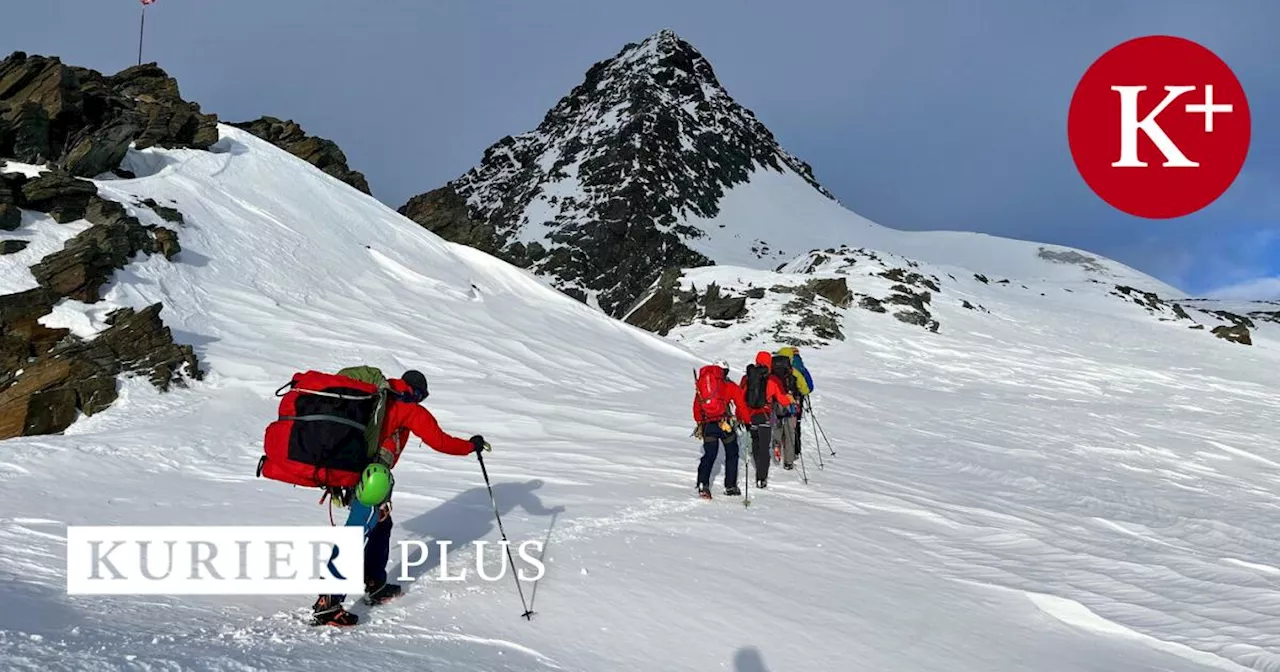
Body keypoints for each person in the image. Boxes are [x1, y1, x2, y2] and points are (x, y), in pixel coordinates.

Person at [312, 369, 489, 627]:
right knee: (357, 531)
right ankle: (329, 602)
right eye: (422, 396)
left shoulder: (378, 396)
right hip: (372, 479)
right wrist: (471, 446)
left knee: (382, 524)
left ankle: (374, 582)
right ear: (418, 392)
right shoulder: (408, 407)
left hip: (354, 473)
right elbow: (440, 441)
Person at [692, 359, 747, 499]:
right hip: (725, 424)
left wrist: (700, 422)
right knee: (732, 452)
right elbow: (741, 404)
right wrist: (746, 421)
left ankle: (702, 483)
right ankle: (730, 486)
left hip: (708, 424)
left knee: (709, 455)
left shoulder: (703, 385)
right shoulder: (729, 385)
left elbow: (696, 408)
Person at [739, 351, 793, 489]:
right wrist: (790, 399)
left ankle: (759, 468)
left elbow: (740, 398)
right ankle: (761, 477)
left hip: (750, 416)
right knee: (764, 447)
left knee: (756, 443)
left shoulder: (747, 378)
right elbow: (783, 400)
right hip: (765, 416)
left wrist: (741, 415)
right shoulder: (772, 380)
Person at [777, 346, 814, 457]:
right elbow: (808, 388)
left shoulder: (775, 365)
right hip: (795, 399)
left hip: (779, 398)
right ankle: (795, 450)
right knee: (795, 424)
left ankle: (778, 444)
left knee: (778, 422)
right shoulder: (798, 368)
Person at [769, 353, 801, 470]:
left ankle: (776, 444)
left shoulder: (772, 377)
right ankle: (788, 462)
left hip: (775, 407)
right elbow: (798, 391)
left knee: (777, 429)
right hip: (790, 407)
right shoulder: (791, 377)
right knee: (790, 434)